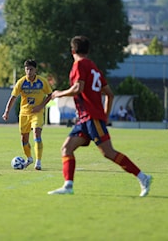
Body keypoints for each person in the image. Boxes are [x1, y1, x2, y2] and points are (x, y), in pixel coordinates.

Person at [47, 35, 152, 196]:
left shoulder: (79, 65)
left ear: (72, 50)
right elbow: (109, 94)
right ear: (87, 50)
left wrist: (59, 93)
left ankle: (143, 177)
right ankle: (68, 186)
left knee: (108, 152)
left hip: (91, 117)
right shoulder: (94, 67)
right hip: (85, 119)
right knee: (66, 148)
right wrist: (106, 115)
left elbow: (78, 88)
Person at [2, 59, 52, 170]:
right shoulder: (21, 82)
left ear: (35, 70)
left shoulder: (42, 82)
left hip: (37, 113)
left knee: (36, 133)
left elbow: (50, 95)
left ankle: (38, 162)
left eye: (31, 69)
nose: (29, 71)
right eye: (27, 69)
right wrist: (6, 112)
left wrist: (41, 106)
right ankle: (29, 158)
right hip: (24, 114)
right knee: (24, 139)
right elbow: (13, 97)